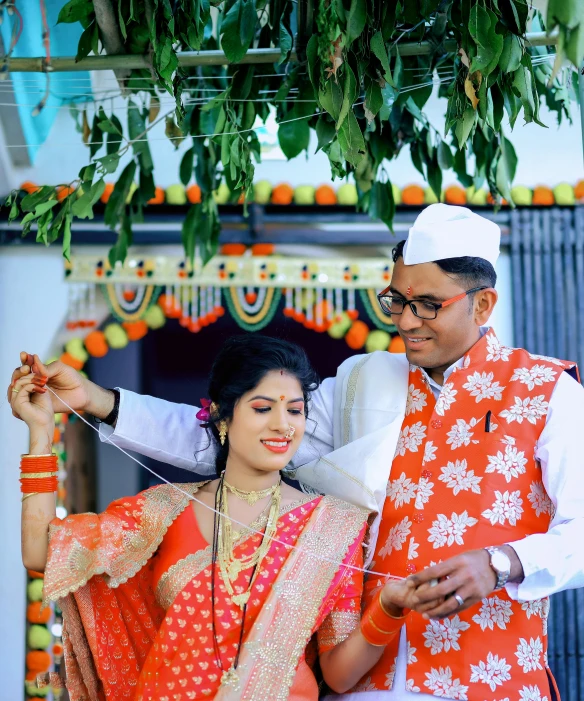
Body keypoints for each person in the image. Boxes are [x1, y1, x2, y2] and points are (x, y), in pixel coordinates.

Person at [10, 204, 584, 700]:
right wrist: (101, 401)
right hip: (366, 683)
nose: (406, 322)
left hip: (491, 680)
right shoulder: (368, 380)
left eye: (428, 305)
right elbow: (229, 434)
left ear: (483, 307)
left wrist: (502, 563)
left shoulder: (548, 393)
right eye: (396, 301)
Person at [11, 335, 439, 701]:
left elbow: (341, 673)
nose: (283, 425)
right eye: (262, 408)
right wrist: (39, 430)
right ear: (221, 415)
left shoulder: (333, 525)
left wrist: (387, 609)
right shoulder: (165, 510)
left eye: (294, 410)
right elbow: (43, 552)